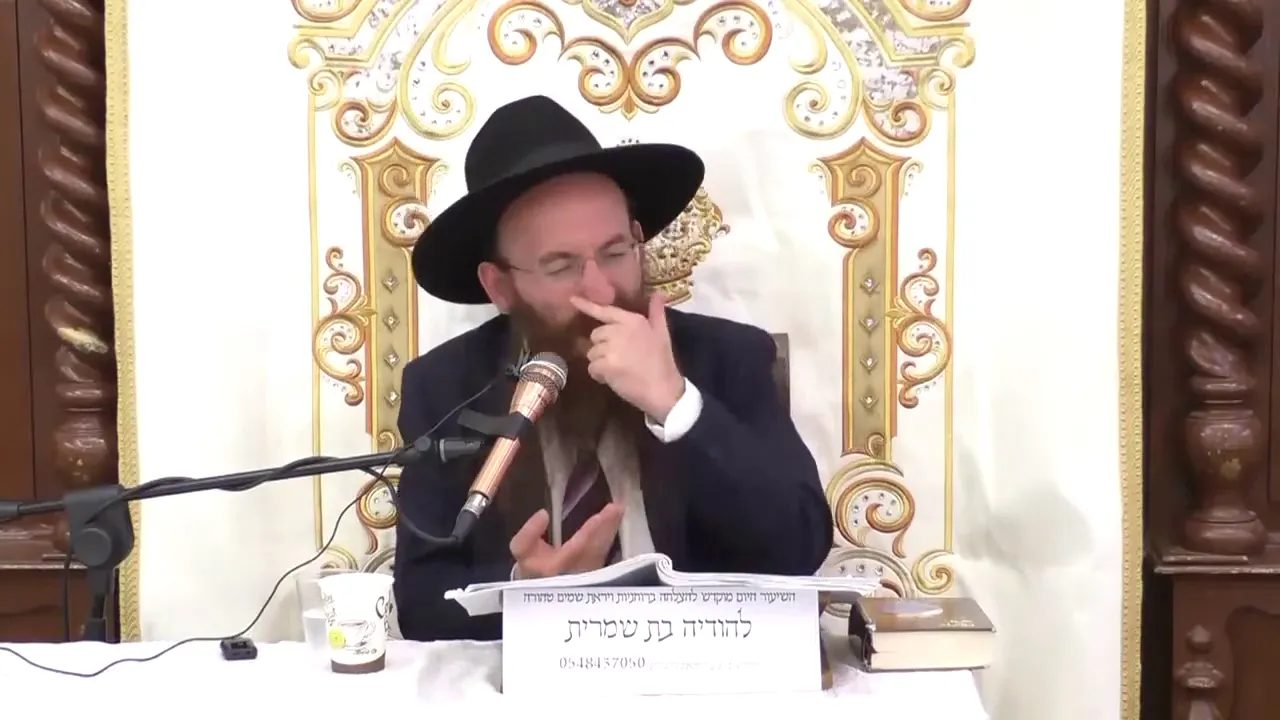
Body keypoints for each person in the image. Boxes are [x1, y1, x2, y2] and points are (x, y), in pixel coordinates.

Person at [392, 95, 832, 641]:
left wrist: (676, 404)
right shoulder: (445, 388)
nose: (601, 290)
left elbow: (798, 550)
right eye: (561, 266)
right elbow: (420, 602)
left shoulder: (728, 358)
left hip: (700, 667)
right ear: (500, 286)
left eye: (616, 252)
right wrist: (522, 588)